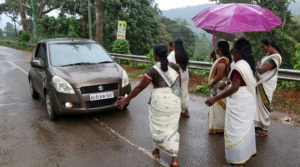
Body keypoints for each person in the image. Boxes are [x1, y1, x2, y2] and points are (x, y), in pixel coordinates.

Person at [115, 43, 183, 167]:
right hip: (174, 100)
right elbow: (180, 85)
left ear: (155, 55)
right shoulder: (175, 67)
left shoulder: (153, 70)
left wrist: (126, 99)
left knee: (158, 126)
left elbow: (140, 87)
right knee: (172, 128)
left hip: (159, 101)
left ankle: (157, 152)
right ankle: (174, 160)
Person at [205, 38, 257, 167]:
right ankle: (241, 159)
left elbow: (235, 87)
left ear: (238, 51)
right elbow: (235, 81)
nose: (231, 50)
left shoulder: (239, 66)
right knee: (243, 130)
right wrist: (226, 82)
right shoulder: (244, 63)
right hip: (246, 100)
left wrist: (215, 98)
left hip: (239, 101)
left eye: (233, 48)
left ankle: (236, 163)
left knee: (235, 132)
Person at [254, 37, 282, 137]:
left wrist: (258, 65)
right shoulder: (271, 55)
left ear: (269, 46)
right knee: (259, 105)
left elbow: (261, 70)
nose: (262, 49)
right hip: (262, 83)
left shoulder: (275, 58)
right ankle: (258, 126)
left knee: (264, 105)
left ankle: (264, 130)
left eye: (263, 47)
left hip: (266, 84)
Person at [208, 41, 232, 134]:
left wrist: (211, 83)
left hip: (219, 86)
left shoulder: (222, 60)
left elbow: (219, 75)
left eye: (217, 47)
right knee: (219, 106)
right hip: (222, 86)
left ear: (221, 49)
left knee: (218, 107)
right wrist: (214, 57)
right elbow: (218, 70)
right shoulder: (223, 60)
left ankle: (219, 127)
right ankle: (220, 126)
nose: (216, 49)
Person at [168, 38, 190, 118]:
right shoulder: (185, 53)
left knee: (176, 91)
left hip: (177, 74)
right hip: (185, 74)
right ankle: (186, 111)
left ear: (175, 44)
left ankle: (177, 110)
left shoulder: (173, 53)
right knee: (184, 91)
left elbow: (169, 64)